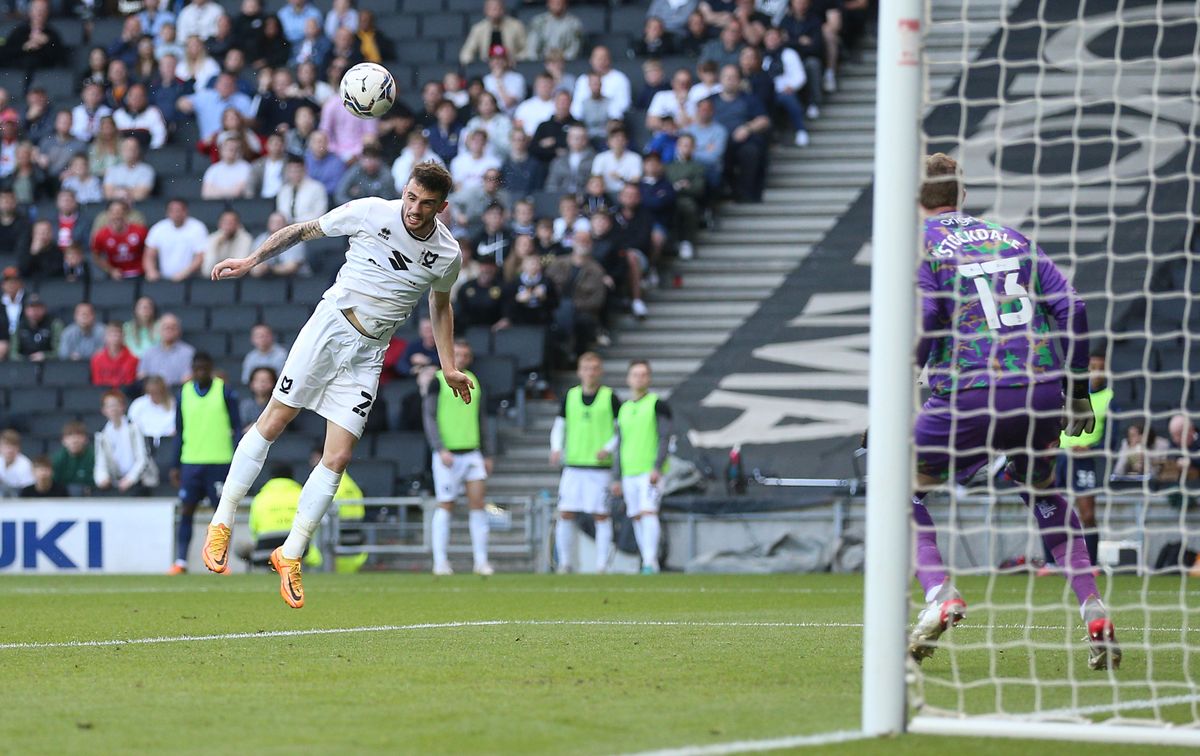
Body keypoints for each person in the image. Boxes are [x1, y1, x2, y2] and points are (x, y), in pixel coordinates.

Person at [200, 161, 471, 609]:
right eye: (410, 197)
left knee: (339, 456)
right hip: (329, 329)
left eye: (426, 204)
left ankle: (290, 555)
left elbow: (440, 307)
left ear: (442, 207)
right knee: (275, 420)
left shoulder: (447, 254)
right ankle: (223, 518)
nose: (414, 210)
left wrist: (448, 365)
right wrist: (251, 260)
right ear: (404, 191)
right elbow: (302, 231)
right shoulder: (370, 211)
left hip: (369, 355)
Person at [905, 153, 1118, 670]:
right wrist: (1076, 391)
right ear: (963, 194)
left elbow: (931, 316)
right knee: (1042, 489)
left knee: (897, 486)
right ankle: (1094, 611)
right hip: (1041, 393)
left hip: (971, 392)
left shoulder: (923, 246)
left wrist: (901, 377)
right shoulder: (1010, 238)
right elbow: (1075, 305)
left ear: (918, 201)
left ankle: (940, 595)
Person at [424, 340, 494, 575]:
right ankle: (440, 562)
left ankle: (481, 561)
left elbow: (482, 418)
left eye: (465, 354)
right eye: (457, 354)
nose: (461, 358)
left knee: (478, 504)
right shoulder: (437, 380)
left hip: (472, 451)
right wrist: (439, 448)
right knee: (446, 504)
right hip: (448, 454)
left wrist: (487, 451)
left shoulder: (475, 380)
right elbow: (429, 416)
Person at [168, 352, 241, 574]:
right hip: (191, 462)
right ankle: (181, 561)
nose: (200, 372)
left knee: (222, 514)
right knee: (186, 510)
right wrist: (175, 464)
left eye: (204, 368)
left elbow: (237, 427)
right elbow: (180, 431)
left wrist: (239, 458)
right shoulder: (184, 393)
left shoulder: (225, 391)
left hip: (220, 461)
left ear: (210, 368)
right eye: (196, 368)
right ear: (192, 369)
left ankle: (220, 560)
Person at [551, 352, 620, 573]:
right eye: (586, 368)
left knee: (601, 514)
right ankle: (565, 563)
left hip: (599, 468)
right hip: (573, 465)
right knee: (566, 512)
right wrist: (556, 448)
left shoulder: (610, 397)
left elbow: (621, 429)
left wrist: (608, 448)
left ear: (600, 372)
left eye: (594, 368)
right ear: (580, 371)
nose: (590, 372)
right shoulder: (570, 396)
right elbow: (559, 425)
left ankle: (602, 565)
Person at [1052, 346, 1112, 566]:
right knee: (1051, 510)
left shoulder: (1109, 397)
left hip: (1085, 460)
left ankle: (1092, 563)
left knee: (1086, 515)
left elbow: (1112, 438)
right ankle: (1052, 562)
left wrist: (1092, 449)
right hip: (1059, 457)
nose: (1096, 372)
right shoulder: (1067, 392)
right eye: (1092, 367)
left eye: (1100, 368)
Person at [612, 360, 672, 573]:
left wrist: (658, 465)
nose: (639, 378)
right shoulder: (624, 409)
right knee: (636, 515)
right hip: (629, 471)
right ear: (628, 378)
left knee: (648, 512)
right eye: (635, 374)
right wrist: (616, 477)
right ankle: (646, 558)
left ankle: (650, 561)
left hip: (649, 471)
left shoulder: (657, 404)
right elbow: (620, 443)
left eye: (644, 374)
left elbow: (664, 437)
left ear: (649, 378)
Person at [547, 231, 609, 358]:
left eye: (586, 241)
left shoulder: (597, 270)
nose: (583, 244)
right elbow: (546, 285)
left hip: (582, 312)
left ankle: (575, 355)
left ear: (591, 245)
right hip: (554, 308)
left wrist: (572, 307)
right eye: (579, 240)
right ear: (573, 242)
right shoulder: (558, 263)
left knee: (582, 322)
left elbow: (597, 300)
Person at [93, 391, 156, 495]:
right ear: (104, 410)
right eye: (109, 406)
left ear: (123, 407)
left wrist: (130, 479)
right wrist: (102, 479)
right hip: (117, 482)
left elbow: (143, 459)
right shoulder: (101, 434)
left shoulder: (135, 428)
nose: (113, 409)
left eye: (116, 405)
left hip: (142, 481)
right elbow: (100, 462)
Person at [144, 199, 209, 282]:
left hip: (190, 279)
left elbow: (200, 256)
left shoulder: (198, 228)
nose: (175, 214)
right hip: (164, 279)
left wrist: (184, 273)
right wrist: (151, 271)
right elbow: (149, 254)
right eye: (172, 210)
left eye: (178, 210)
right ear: (167, 213)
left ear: (185, 211)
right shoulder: (158, 228)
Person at [664, 133, 706, 260]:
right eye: (683, 145)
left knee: (688, 207)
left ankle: (686, 242)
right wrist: (680, 186)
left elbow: (699, 188)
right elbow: (666, 186)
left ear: (693, 148)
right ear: (677, 146)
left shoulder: (698, 166)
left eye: (689, 145)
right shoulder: (668, 166)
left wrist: (680, 187)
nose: (685, 148)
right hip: (669, 199)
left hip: (688, 200)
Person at [460, 0, 527, 65]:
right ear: (486, 10)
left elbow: (526, 50)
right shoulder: (478, 29)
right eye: (492, 8)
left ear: (504, 9)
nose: (496, 11)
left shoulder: (516, 26)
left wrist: (516, 59)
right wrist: (470, 62)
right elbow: (466, 53)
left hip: (512, 67)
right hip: (486, 68)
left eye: (499, 8)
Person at [138, 313, 196, 386]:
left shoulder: (188, 352)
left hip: (178, 393)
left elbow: (188, 378)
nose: (169, 330)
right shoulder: (149, 352)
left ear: (179, 331)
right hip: (153, 394)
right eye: (166, 327)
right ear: (159, 330)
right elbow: (142, 376)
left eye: (173, 327)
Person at [129, 374, 177, 454]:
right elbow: (131, 425)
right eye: (151, 392)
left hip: (166, 446)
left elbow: (175, 427)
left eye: (157, 392)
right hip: (143, 445)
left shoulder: (173, 405)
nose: (154, 395)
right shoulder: (138, 404)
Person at [251, 212, 308, 277]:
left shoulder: (296, 239)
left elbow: (291, 268)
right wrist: (260, 269)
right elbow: (253, 269)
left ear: (286, 224)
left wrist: (270, 269)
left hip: (296, 280)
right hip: (268, 281)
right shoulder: (261, 239)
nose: (275, 224)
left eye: (279, 222)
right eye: (273, 222)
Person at [591, 126, 643, 195]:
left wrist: (621, 178)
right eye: (615, 139)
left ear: (627, 141)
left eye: (621, 139)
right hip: (605, 194)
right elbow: (595, 178)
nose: (618, 142)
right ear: (608, 142)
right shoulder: (600, 157)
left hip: (627, 195)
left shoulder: (635, 158)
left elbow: (636, 180)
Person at [14, 293, 61, 362]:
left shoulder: (54, 324)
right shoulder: (20, 326)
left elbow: (59, 352)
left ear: (44, 309)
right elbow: (13, 353)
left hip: (49, 364)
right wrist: (26, 359)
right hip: (24, 365)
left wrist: (45, 355)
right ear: (25, 310)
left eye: (38, 307)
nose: (34, 311)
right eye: (31, 307)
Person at [203, 210, 253, 274]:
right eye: (225, 222)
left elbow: (239, 268)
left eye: (231, 222)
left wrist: (218, 270)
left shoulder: (246, 239)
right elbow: (207, 270)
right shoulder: (213, 238)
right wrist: (217, 246)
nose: (228, 226)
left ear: (238, 224)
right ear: (219, 224)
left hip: (238, 280)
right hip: (215, 280)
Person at [53, 421, 95, 496]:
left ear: (86, 440)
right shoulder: (57, 459)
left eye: (79, 436)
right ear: (63, 441)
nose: (75, 440)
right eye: (70, 436)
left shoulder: (95, 457)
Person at [91, 322, 140, 388]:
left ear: (123, 337)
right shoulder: (96, 359)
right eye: (111, 334)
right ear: (105, 337)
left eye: (118, 334)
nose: (115, 337)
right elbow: (97, 383)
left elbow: (129, 384)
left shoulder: (133, 360)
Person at [239, 366, 276, 430]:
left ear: (274, 383)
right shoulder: (245, 405)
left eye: (266, 380)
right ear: (251, 384)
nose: (262, 383)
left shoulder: (277, 405)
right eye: (258, 380)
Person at [0, 429, 35, 497]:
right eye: (6, 446)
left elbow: (28, 491)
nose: (10, 450)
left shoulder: (25, 464)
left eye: (13, 446)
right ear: (0, 447)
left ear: (19, 448)